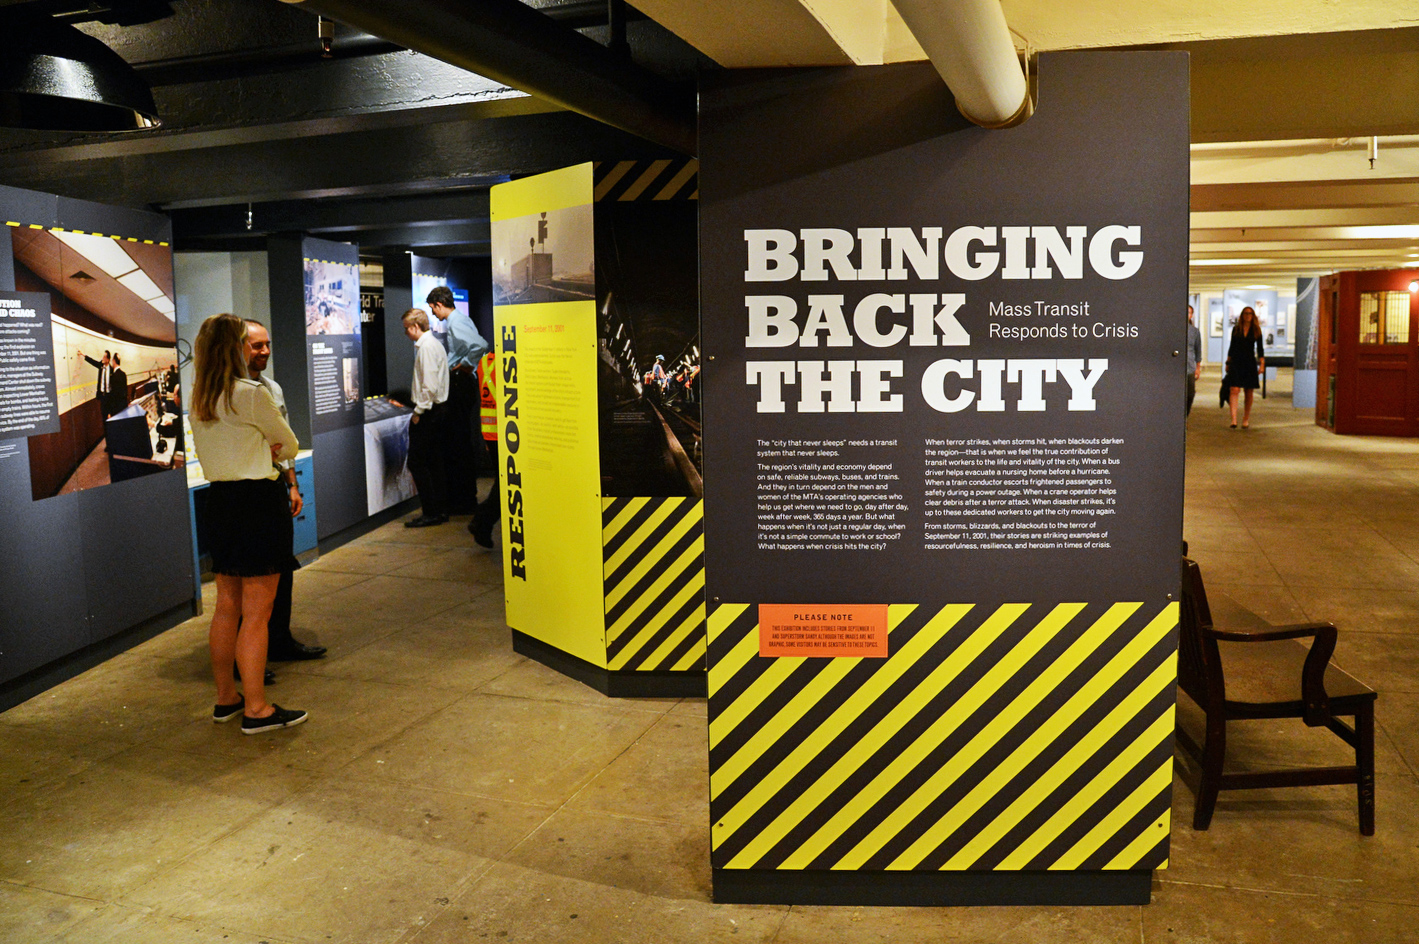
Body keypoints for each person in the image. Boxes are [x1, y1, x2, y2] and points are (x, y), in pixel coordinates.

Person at [188, 313, 307, 735]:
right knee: (257, 613)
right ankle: (257, 709)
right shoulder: (250, 393)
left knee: (226, 608)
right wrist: (270, 446)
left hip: (220, 502)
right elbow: (289, 443)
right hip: (258, 502)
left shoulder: (200, 396)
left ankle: (227, 698)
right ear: (234, 347)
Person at [244, 319, 327, 663]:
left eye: (267, 344)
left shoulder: (272, 390)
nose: (265, 351)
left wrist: (292, 484)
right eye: (256, 345)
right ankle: (248, 655)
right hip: (246, 491)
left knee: (282, 569)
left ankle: (279, 640)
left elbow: (286, 442)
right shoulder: (228, 393)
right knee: (249, 579)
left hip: (275, 485)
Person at [426, 285, 488, 514]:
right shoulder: (461, 319)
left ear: (439, 304)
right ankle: (464, 498)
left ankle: (463, 500)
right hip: (463, 385)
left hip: (461, 385)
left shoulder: (455, 322)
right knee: (459, 441)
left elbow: (480, 345)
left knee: (458, 442)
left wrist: (466, 365)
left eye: (433, 308)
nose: (433, 313)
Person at [402, 307, 451, 527]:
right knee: (433, 462)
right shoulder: (433, 345)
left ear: (415, 326)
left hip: (429, 413)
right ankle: (439, 510)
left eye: (406, 329)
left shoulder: (427, 348)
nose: (406, 334)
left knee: (417, 462)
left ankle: (431, 511)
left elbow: (429, 386)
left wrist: (418, 412)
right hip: (437, 412)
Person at [468, 349, 499, 548]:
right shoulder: (512, 362)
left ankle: (482, 521)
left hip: (490, 430)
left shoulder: (485, 361)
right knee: (506, 485)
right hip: (508, 431)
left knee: (503, 482)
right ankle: (482, 521)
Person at [1225, 306, 1265, 429]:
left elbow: (1260, 349)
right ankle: (1234, 419)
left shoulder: (1256, 330)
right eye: (1246, 313)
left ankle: (1245, 419)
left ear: (1253, 316)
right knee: (1234, 389)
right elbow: (1232, 346)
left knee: (1249, 391)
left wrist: (1262, 364)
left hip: (1249, 362)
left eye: (1250, 313)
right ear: (1242, 315)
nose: (1248, 315)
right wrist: (1228, 362)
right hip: (1236, 361)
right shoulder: (1236, 329)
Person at [81, 350, 117, 418]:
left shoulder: (112, 370)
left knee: (110, 416)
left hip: (109, 396)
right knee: (103, 415)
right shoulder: (101, 366)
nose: (102, 358)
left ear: (108, 359)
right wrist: (83, 355)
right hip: (102, 396)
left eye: (104, 357)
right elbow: (92, 361)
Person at [1185, 305, 1202, 416]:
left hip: (1189, 367)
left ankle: (1185, 416)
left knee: (1190, 394)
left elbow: (1198, 350)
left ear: (1191, 315)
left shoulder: (1194, 332)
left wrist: (1198, 368)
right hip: (1174, 368)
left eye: (1189, 312)